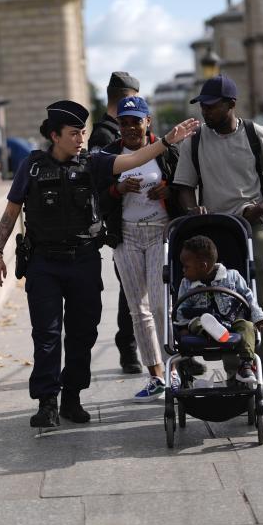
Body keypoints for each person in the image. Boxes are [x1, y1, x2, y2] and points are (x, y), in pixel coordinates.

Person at [0, 100, 199, 427]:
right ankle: (47, 402)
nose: (81, 139)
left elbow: (134, 158)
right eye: (74, 133)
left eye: (83, 132)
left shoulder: (94, 162)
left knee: (82, 334)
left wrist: (167, 141)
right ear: (55, 136)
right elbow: (11, 211)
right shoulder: (30, 167)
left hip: (83, 261)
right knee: (46, 334)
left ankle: (71, 398)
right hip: (43, 263)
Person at [172, 74, 263, 400]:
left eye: (211, 106)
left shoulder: (256, 135)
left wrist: (262, 206)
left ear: (231, 105)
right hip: (212, 226)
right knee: (219, 296)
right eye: (203, 106)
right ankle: (238, 366)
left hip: (250, 224)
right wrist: (191, 208)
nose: (206, 112)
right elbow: (183, 186)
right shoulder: (194, 142)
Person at [97, 96, 184, 402]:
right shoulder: (109, 155)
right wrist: (116, 189)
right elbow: (98, 200)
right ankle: (156, 375)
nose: (131, 127)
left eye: (137, 120)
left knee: (162, 306)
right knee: (139, 309)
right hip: (127, 237)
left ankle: (174, 369)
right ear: (118, 125)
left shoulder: (166, 149)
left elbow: (184, 187)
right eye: (124, 122)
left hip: (161, 232)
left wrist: (168, 189)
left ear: (148, 121)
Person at [90, 71, 142, 375]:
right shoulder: (105, 137)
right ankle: (128, 348)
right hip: (122, 225)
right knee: (130, 290)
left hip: (140, 222)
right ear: (127, 97)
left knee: (136, 290)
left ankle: (135, 347)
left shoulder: (111, 131)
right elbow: (100, 185)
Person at [175, 236, 263, 387]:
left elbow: (249, 298)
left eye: (186, 267)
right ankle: (210, 331)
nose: (183, 270)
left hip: (232, 322)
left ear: (203, 266)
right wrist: (182, 328)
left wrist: (258, 317)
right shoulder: (186, 284)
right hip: (202, 324)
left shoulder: (232, 276)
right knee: (197, 322)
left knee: (247, 326)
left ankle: (245, 365)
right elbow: (181, 309)